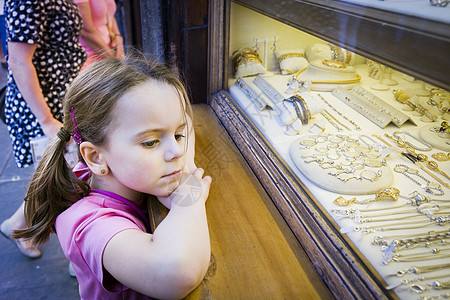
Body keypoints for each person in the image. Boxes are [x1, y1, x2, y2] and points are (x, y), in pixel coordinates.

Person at [14, 54, 212, 299]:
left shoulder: (108, 170)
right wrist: (188, 195)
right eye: (151, 142)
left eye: (177, 136)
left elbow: (187, 124)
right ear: (96, 157)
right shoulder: (89, 224)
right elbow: (176, 274)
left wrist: (186, 165)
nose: (176, 152)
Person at [0, 0, 86, 258]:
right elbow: (18, 61)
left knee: (62, 178)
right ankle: (80, 256)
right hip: (43, 109)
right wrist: (47, 121)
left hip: (57, 103)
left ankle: (17, 224)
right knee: (69, 180)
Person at [74, 0, 125, 70]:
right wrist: (113, 59)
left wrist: (117, 37)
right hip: (89, 59)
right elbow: (85, 31)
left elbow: (109, 14)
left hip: (108, 54)